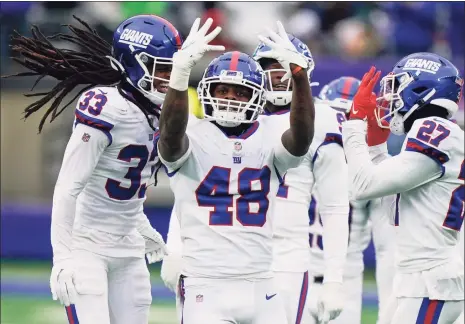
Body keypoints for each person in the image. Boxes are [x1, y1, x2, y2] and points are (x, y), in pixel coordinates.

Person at [5, 15, 183, 324]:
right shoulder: (106, 105)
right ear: (132, 62)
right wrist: (62, 258)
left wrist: (141, 225)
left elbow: (122, 182)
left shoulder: (161, 113)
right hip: (87, 246)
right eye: (162, 68)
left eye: (174, 69)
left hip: (129, 248)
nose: (169, 79)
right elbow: (68, 187)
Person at [157, 19, 314, 323]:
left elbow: (301, 140)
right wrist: (178, 77)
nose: (229, 98)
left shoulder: (272, 133)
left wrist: (299, 78)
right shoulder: (191, 136)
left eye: (239, 92)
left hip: (262, 282)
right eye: (222, 89)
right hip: (205, 283)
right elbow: (170, 136)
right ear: (206, 91)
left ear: (257, 96)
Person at [342, 53, 464, 323]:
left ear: (421, 90)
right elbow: (389, 201)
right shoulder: (437, 134)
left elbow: (361, 187)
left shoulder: (433, 129)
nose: (390, 98)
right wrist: (375, 146)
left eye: (398, 87)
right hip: (420, 280)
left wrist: (353, 124)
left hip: (430, 281)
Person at [251, 36, 349, 324]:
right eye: (270, 68)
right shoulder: (238, 117)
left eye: (285, 67)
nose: (279, 76)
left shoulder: (324, 121)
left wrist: (334, 280)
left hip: (286, 256)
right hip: (231, 248)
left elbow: (334, 207)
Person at [309, 77, 395, 324]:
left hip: (345, 281)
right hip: (295, 271)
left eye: (349, 118)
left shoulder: (371, 169)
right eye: (335, 115)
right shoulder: (298, 152)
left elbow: (387, 247)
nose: (341, 125)